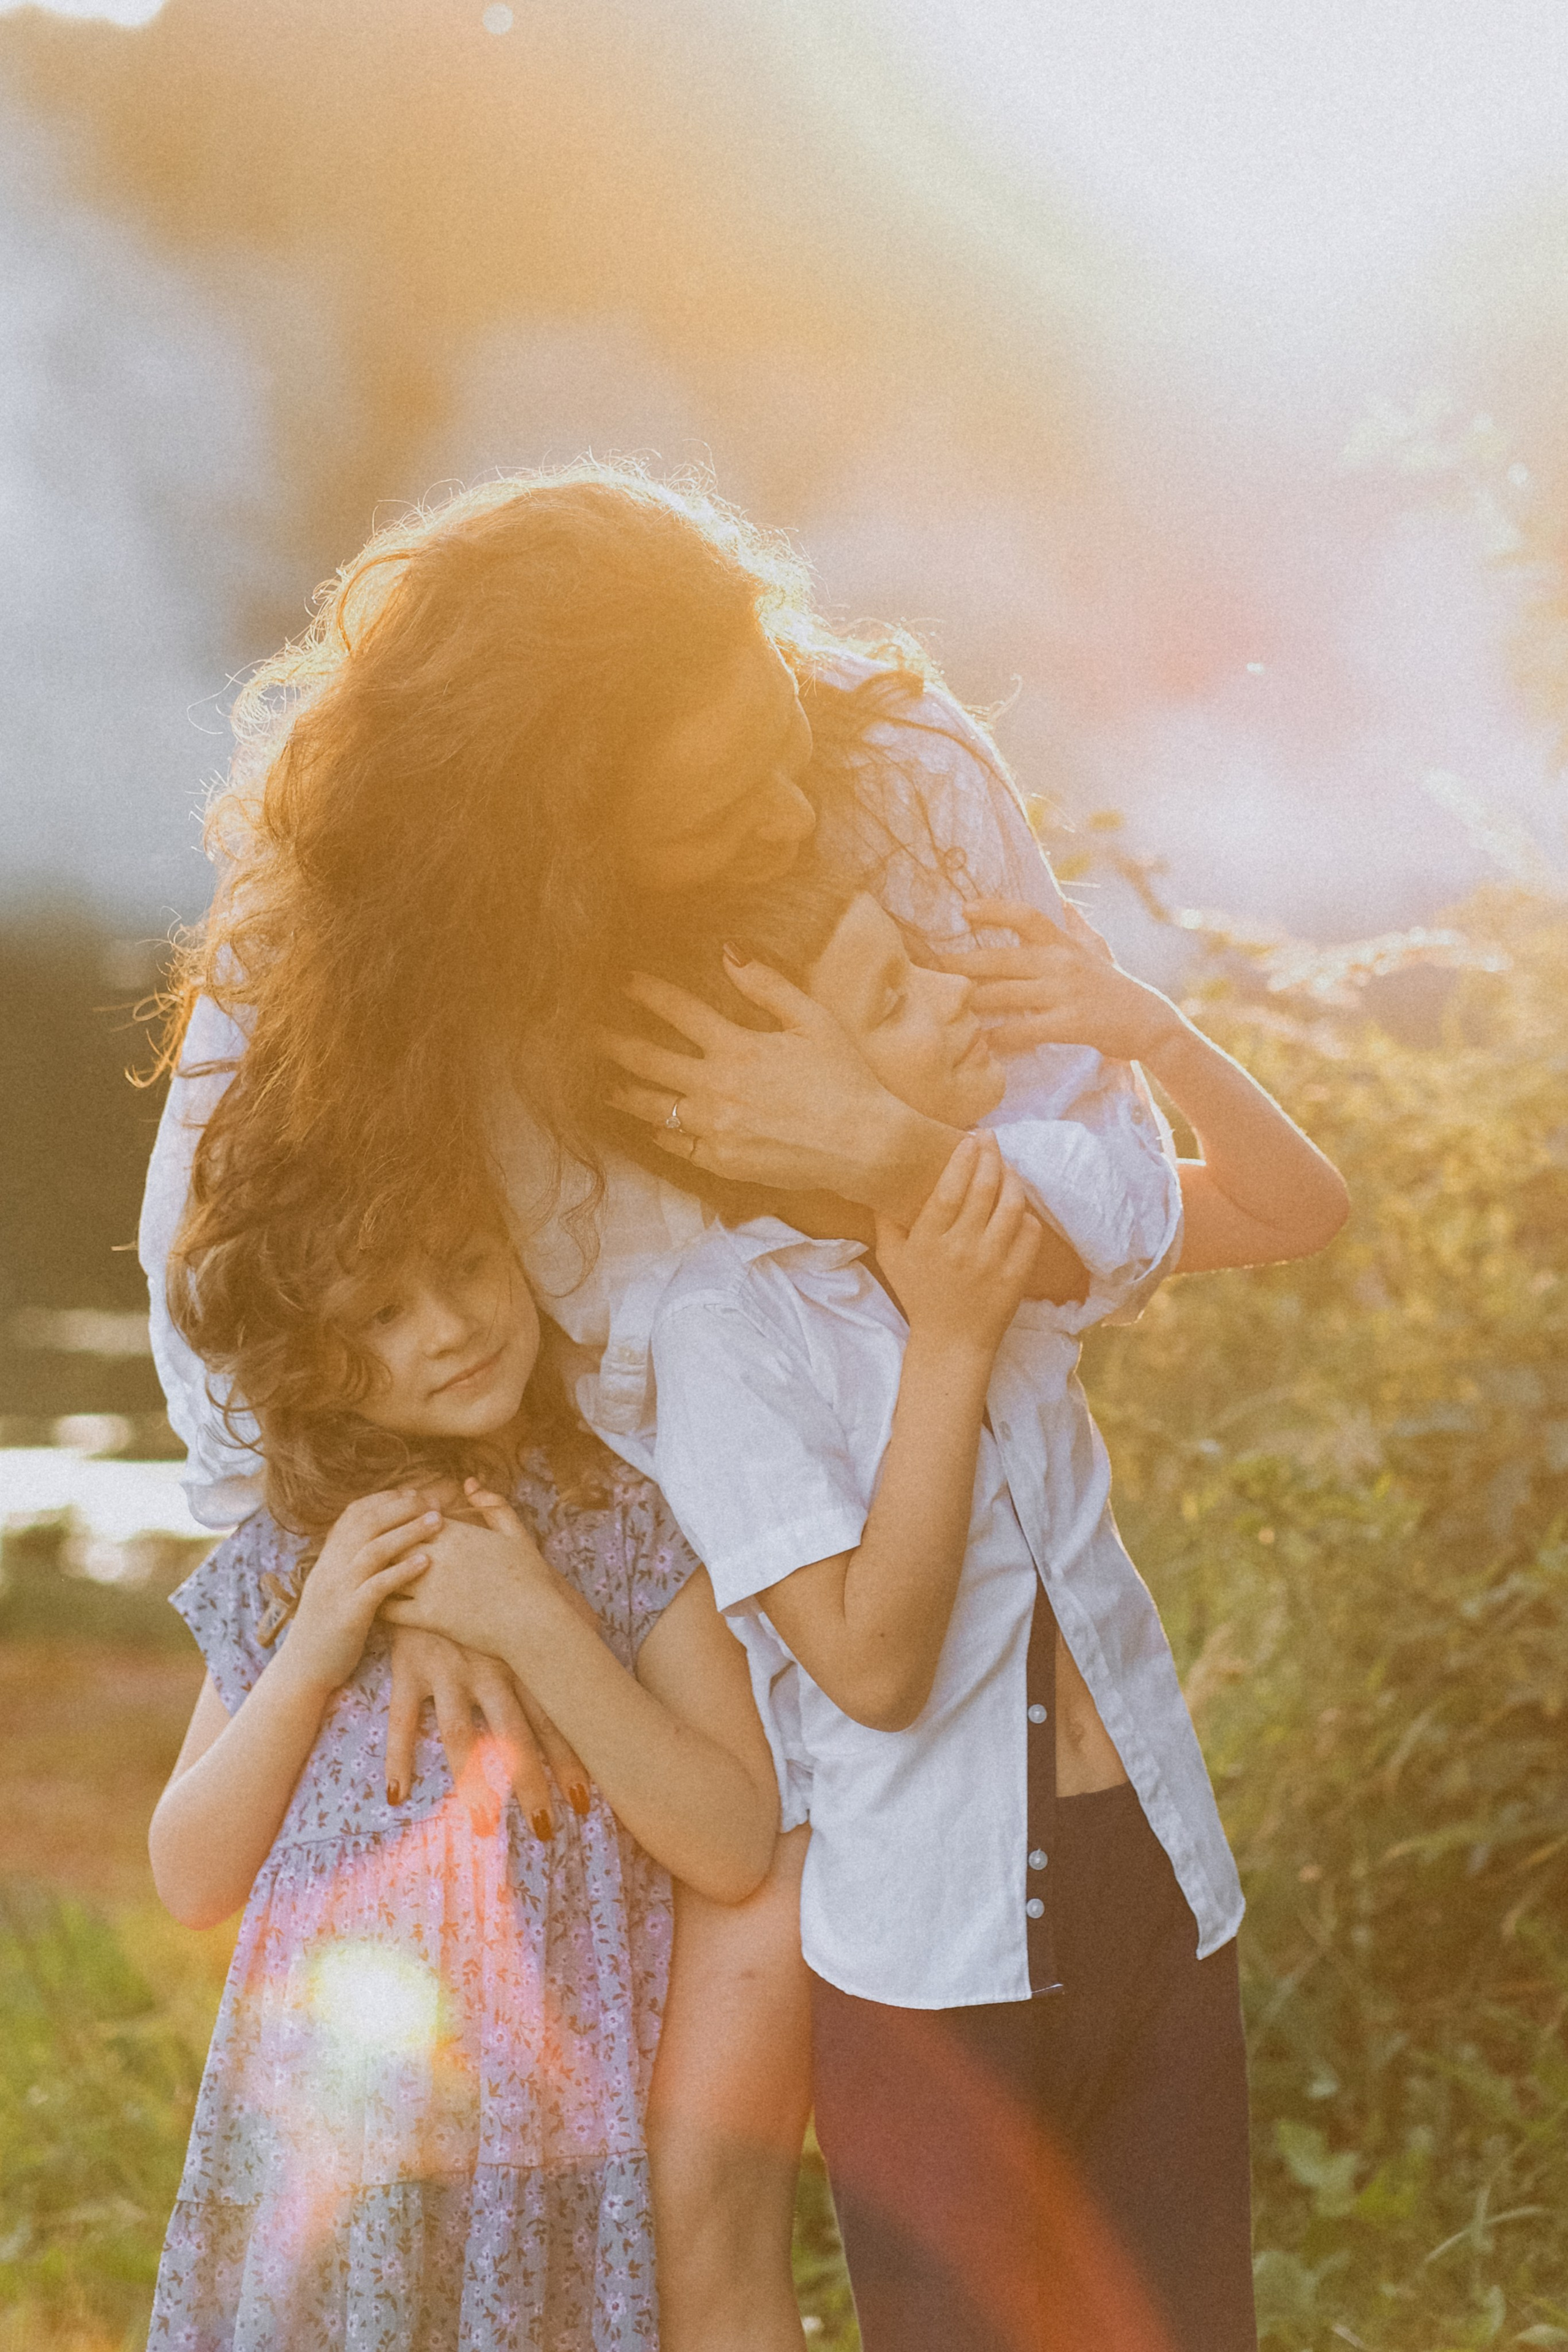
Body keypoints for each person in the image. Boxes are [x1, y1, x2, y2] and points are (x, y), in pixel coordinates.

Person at [137, 462, 1281, 2348]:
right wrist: (399, 1565)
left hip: (869, 1577)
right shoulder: (352, 937)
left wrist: (898, 1153)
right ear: (543, 850)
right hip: (622, 1597)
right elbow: (230, 1327)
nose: (781, 803)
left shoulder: (900, 771)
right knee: (676, 2205)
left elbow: (1115, 1182)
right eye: (704, 809)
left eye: (770, 732)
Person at [596, 863, 1349, 2351]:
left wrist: (1155, 1037)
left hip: (1157, 1892)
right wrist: (945, 1343)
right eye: (892, 995)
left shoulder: (1009, 1186)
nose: (953, 999)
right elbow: (871, 1667)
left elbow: (1291, 1209)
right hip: (934, 1975)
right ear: (761, 1094)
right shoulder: (725, 1332)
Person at [145, 1178, 778, 2352]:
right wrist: (313, 1653)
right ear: (312, 1364)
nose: (448, 1325)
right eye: (380, 1314)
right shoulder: (302, 1556)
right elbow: (188, 1873)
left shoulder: (628, 1523)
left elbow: (735, 1840)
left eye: (468, 1264)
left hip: (545, 2172)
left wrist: (536, 1620)